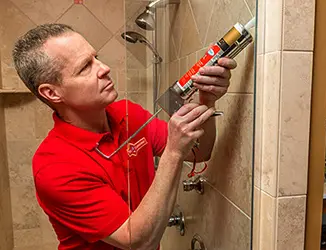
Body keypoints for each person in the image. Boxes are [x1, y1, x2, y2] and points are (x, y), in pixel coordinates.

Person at [12, 23, 237, 250]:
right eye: (85, 67)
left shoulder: (127, 114)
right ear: (52, 93)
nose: (104, 68)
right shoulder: (54, 168)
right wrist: (173, 151)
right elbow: (137, 241)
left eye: (96, 57)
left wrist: (206, 101)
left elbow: (199, 151)